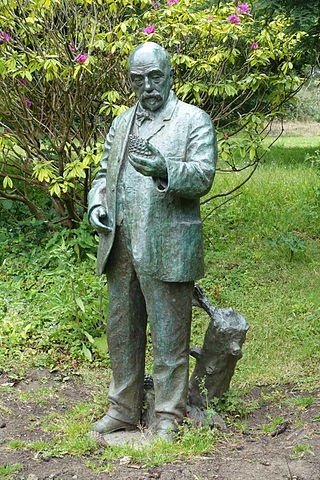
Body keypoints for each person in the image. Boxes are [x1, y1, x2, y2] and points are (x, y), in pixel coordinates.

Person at [88, 41, 217, 441]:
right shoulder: (122, 122)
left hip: (167, 245)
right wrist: (97, 204)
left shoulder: (192, 120)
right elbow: (103, 175)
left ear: (170, 74)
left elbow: (203, 177)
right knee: (121, 333)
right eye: (138, 79)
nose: (147, 86)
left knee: (169, 336)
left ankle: (167, 415)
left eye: (154, 76)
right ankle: (123, 409)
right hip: (121, 246)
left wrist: (165, 169)